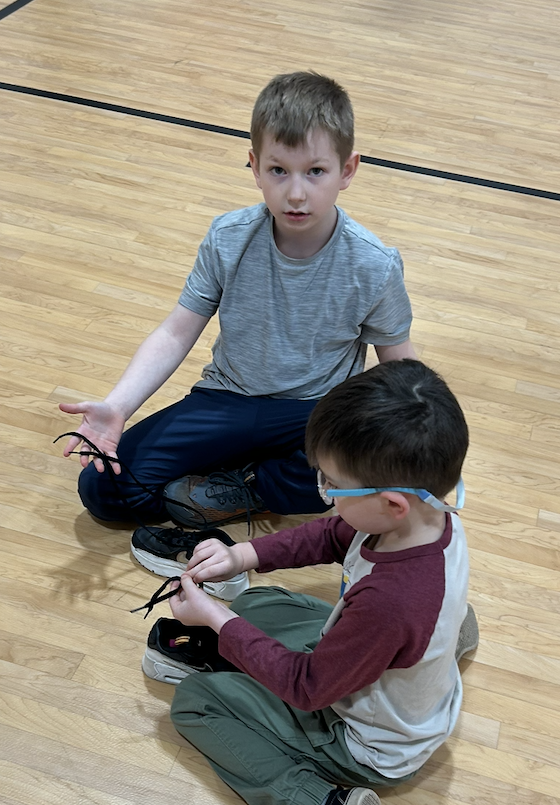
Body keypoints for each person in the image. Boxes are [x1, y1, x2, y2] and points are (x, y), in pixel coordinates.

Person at [156, 359, 478, 805]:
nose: (323, 492)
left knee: (196, 702)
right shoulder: (430, 512)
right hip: (390, 665)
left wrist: (213, 617)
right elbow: (335, 533)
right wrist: (242, 557)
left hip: (367, 742)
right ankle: (444, 636)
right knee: (259, 605)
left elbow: (310, 688)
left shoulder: (390, 602)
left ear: (392, 503)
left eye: (331, 482)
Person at [58, 71, 415, 544]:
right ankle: (238, 475)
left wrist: (408, 444)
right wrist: (118, 406)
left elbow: (399, 369)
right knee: (105, 488)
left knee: (369, 480)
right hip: (226, 400)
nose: (295, 193)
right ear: (253, 165)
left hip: (315, 412)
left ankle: (247, 486)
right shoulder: (228, 237)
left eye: (315, 171)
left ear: (347, 170)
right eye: (278, 170)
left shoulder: (374, 264)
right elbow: (176, 331)